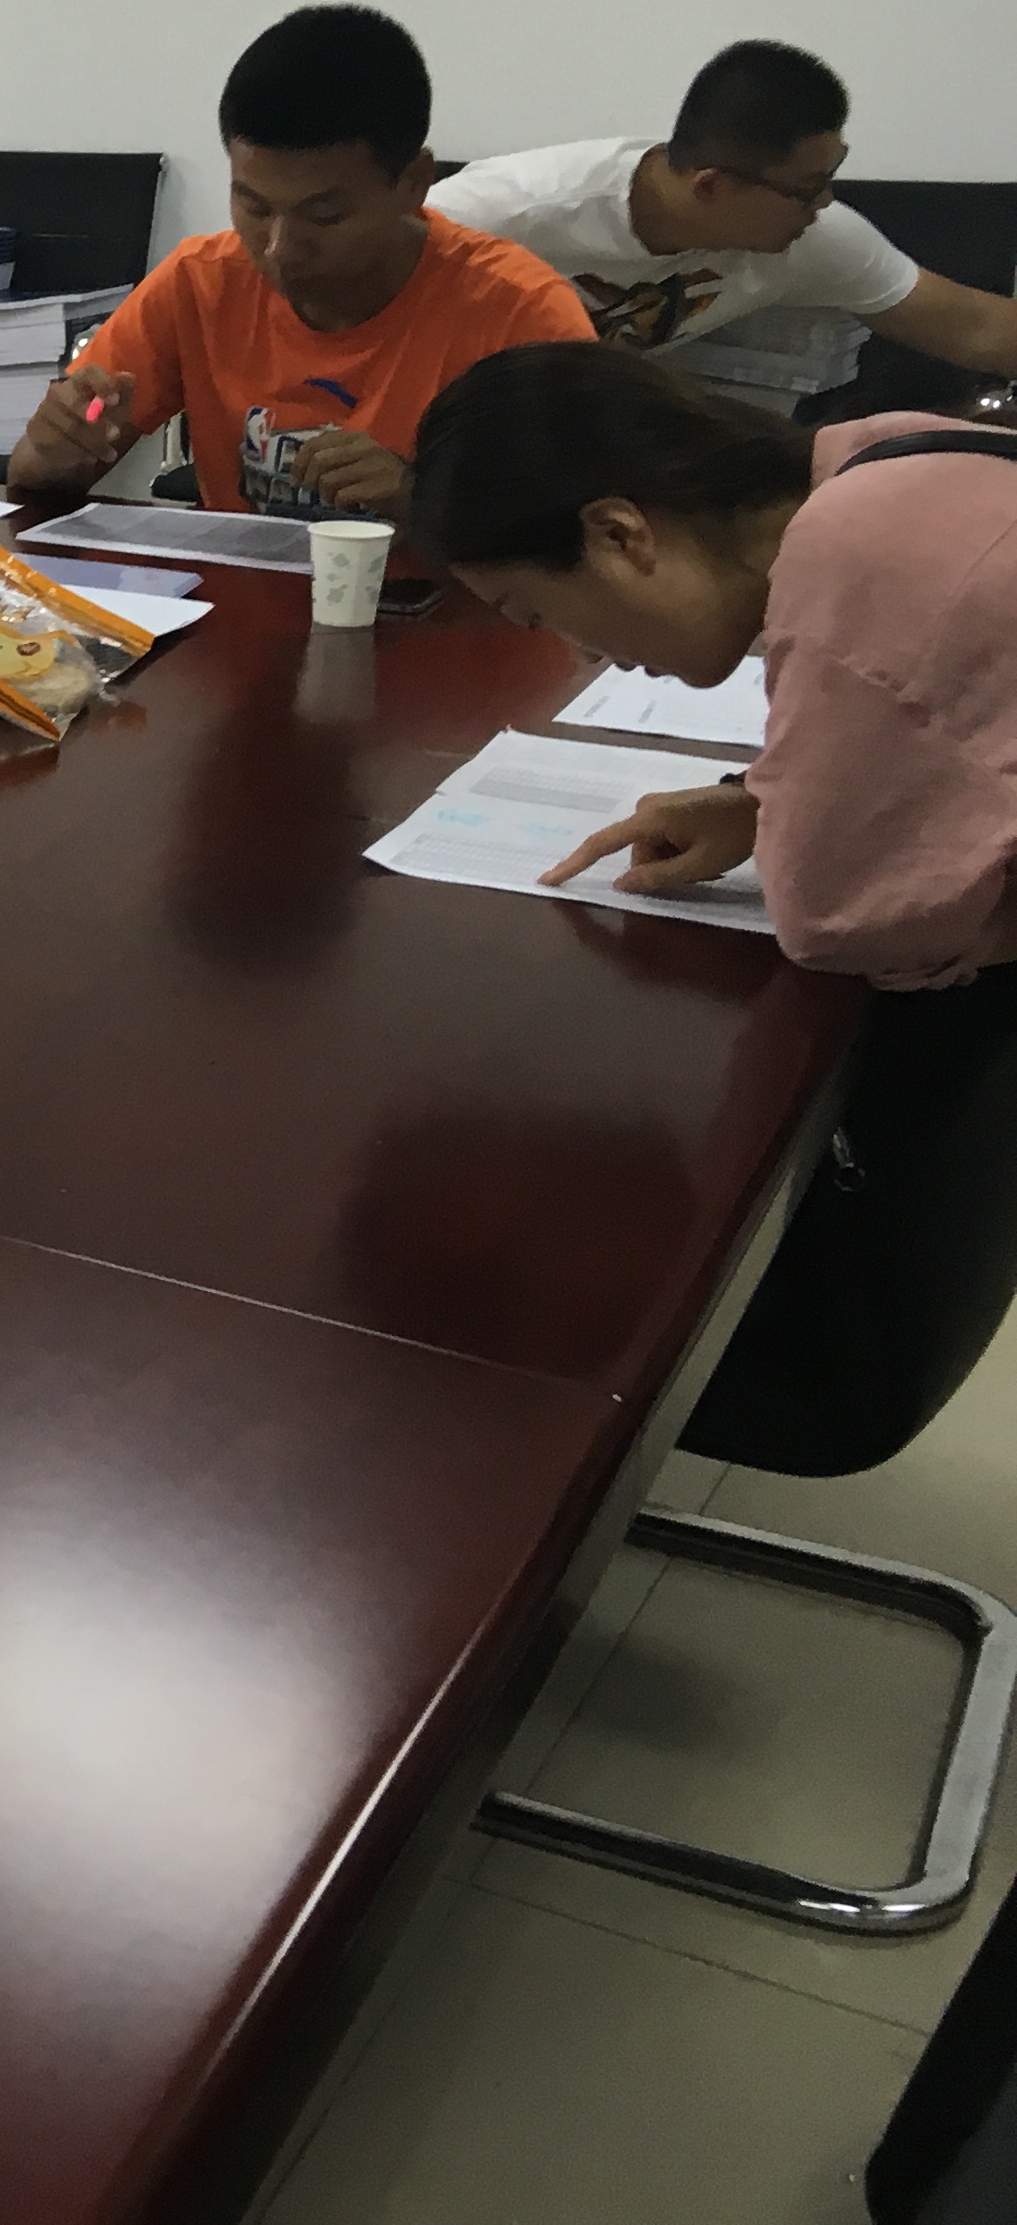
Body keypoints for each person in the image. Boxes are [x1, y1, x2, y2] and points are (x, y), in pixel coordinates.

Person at [409, 341, 1017, 1491]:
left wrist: (802, 817)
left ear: (620, 533)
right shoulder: (878, 458)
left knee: (489, 1280)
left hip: (853, 1360)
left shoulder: (856, 565)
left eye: (539, 609)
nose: (579, 650)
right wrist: (764, 796)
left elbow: (848, 919)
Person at [10, 4, 593, 515]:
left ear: (414, 183)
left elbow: (581, 547)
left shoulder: (519, 313)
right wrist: (58, 444)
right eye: (253, 206)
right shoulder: (200, 283)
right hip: (231, 599)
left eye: (325, 216)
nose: (279, 249)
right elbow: (41, 476)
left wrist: (421, 501)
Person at [432, 40, 1017, 375]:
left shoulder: (808, 237)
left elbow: (975, 326)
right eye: (807, 188)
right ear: (711, 187)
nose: (823, 204)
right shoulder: (497, 211)